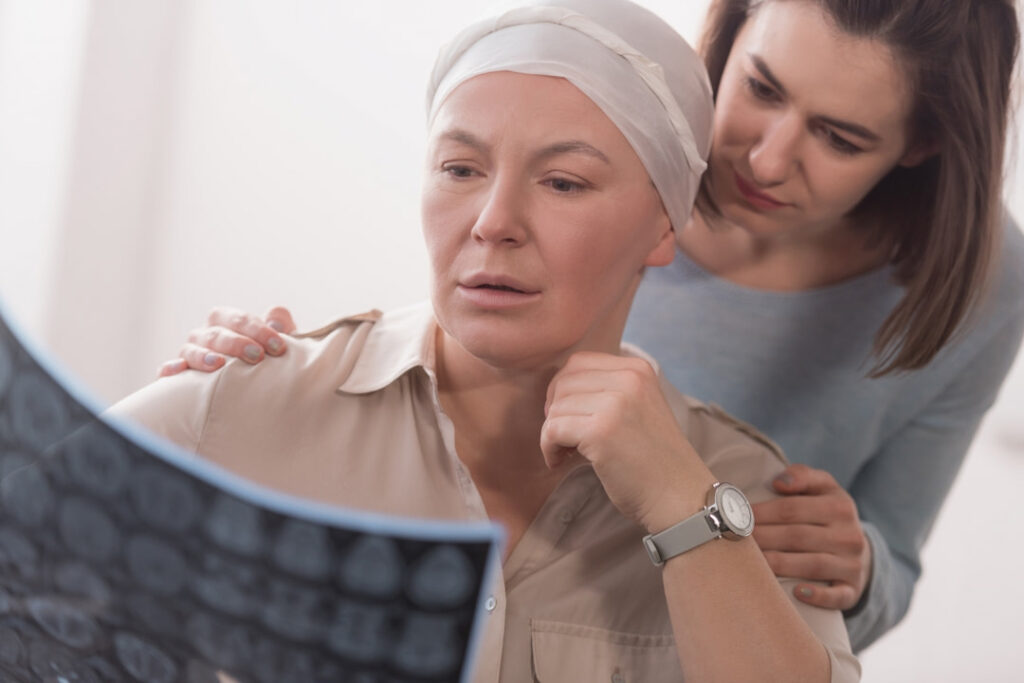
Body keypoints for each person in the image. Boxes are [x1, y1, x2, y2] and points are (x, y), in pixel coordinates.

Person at [171, 0, 1024, 651]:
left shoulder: (983, 284)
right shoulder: (612, 152)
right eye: (760, 88)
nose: (764, 158)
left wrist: (857, 565)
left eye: (839, 138)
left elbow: (889, 568)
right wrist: (283, 371)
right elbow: (447, 360)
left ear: (921, 146)